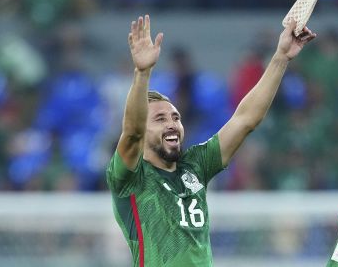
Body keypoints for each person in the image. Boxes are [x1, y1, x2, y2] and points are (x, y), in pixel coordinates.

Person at [105, 15, 316, 266]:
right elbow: (132, 133)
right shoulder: (131, 178)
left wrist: (281, 57)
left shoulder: (195, 165)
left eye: (176, 117)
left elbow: (245, 120)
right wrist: (142, 73)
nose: (172, 123)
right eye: (160, 119)